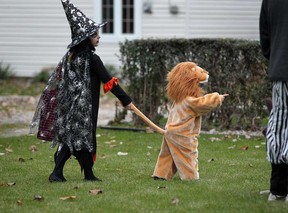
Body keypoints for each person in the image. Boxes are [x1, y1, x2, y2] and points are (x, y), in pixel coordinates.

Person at [30, 0, 132, 182]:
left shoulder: (70, 57)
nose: (98, 37)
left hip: (69, 104)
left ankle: (88, 174)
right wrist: (126, 100)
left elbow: (60, 81)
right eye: (94, 35)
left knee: (78, 138)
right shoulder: (93, 59)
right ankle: (57, 173)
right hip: (85, 107)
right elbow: (109, 82)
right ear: (86, 38)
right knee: (78, 138)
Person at [152, 62, 228, 181]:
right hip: (183, 134)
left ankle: (161, 174)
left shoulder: (179, 99)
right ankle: (190, 177)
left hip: (170, 131)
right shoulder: (189, 101)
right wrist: (217, 98)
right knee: (187, 156)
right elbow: (202, 103)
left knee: (168, 155)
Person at [259, 0, 288, 202]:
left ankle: (278, 189)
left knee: (279, 125)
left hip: (281, 70)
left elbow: (265, 37)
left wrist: (277, 58)